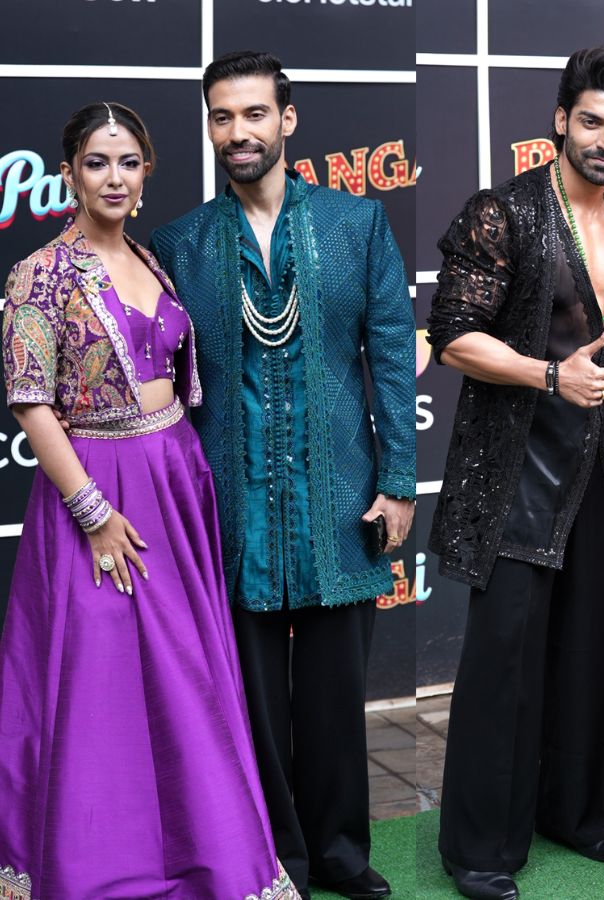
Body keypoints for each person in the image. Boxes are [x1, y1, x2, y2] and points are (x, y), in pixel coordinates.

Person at [0, 102, 298, 900]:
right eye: (97, 162)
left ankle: (209, 852)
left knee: (186, 675)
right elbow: (31, 405)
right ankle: (96, 867)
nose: (114, 178)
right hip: (98, 489)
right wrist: (94, 515)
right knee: (99, 685)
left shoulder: (150, 258)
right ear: (69, 173)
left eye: (128, 162)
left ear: (147, 171)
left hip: (173, 478)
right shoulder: (40, 273)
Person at [149, 52, 415, 900]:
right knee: (251, 703)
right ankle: (275, 859)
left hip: (341, 499)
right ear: (210, 127)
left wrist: (399, 482)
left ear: (287, 120)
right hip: (232, 509)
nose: (239, 132)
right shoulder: (180, 245)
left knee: (337, 695)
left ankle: (340, 853)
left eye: (255, 114)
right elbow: (163, 386)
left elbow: (391, 358)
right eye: (222, 117)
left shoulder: (356, 224)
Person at [427, 46, 604, 900]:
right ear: (561, 120)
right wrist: (549, 374)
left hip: (598, 468)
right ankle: (480, 850)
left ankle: (582, 815)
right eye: (591, 121)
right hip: (514, 468)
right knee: (505, 659)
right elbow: (452, 335)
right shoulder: (504, 211)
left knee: (589, 648)